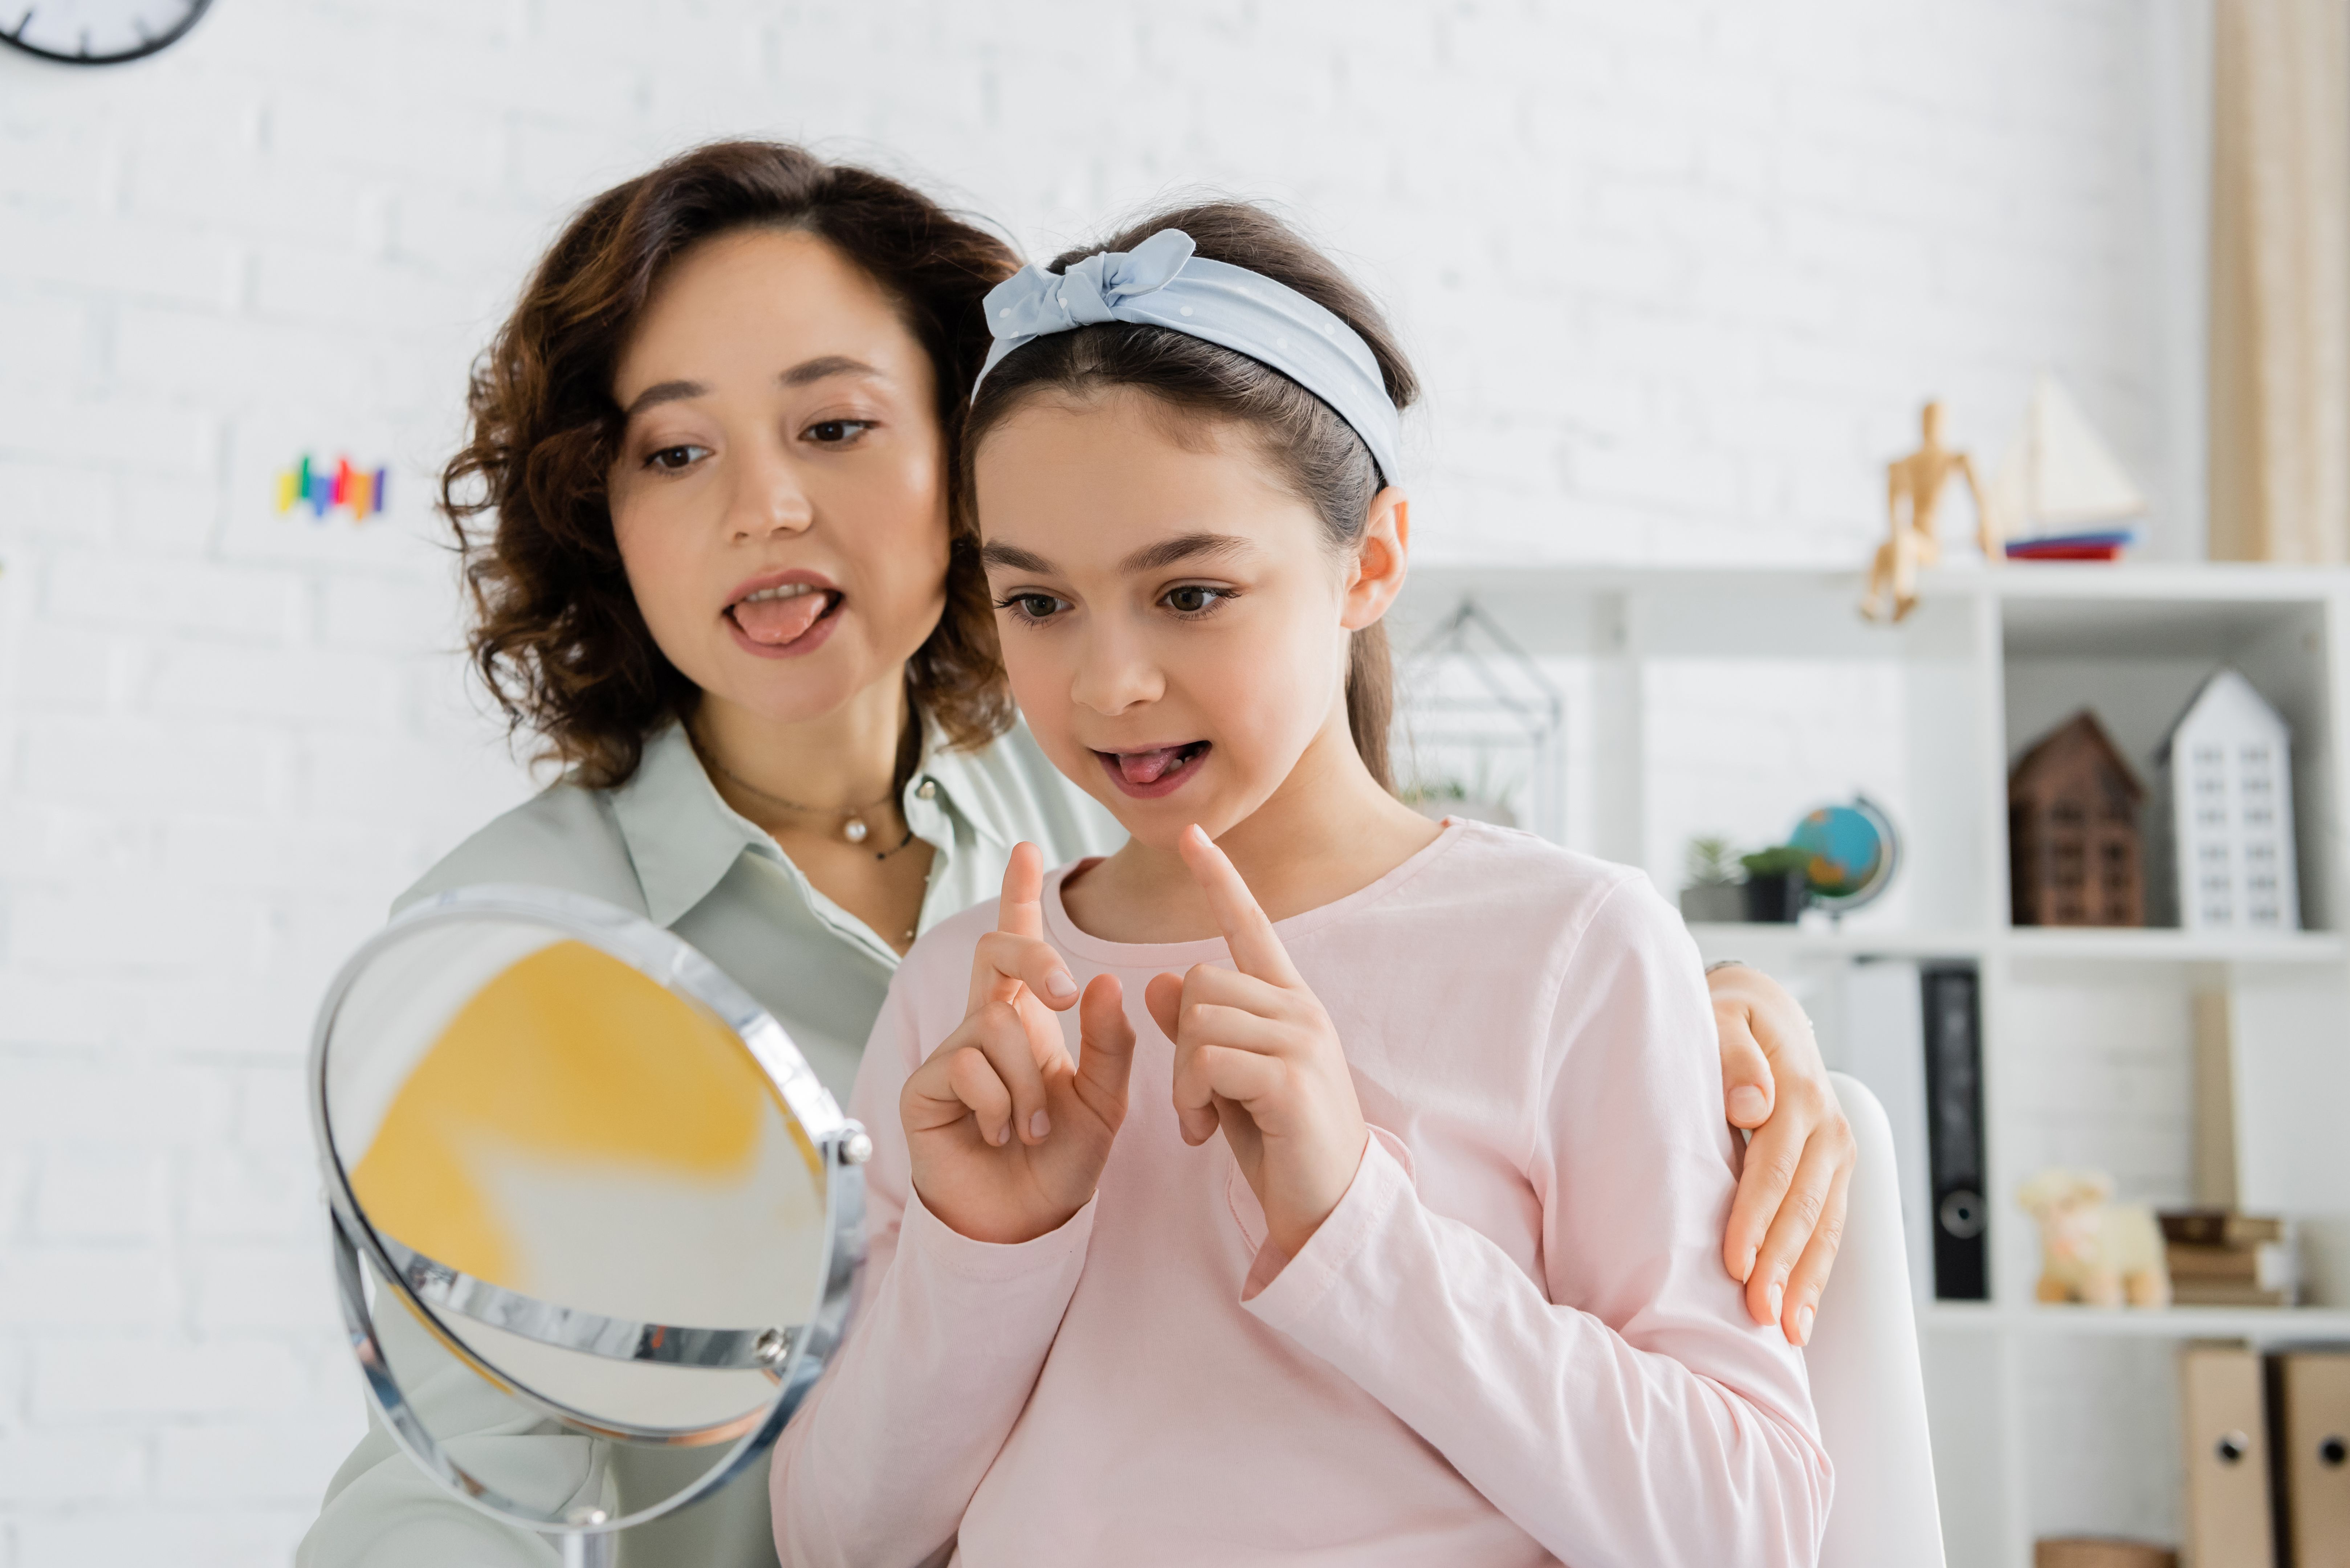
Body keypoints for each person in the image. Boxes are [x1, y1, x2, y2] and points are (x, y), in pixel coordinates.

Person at [300, 143, 1850, 1568]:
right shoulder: (553, 938)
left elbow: (1454, 944)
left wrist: (1699, 1016)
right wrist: (986, 1243)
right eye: (672, 451)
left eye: (834, 426)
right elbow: (509, 1472)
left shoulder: (1077, 821)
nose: (766, 508)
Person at [769, 205, 1830, 1567]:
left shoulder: (1572, 947)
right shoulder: (965, 993)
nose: (1108, 684)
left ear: (1369, 562)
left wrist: (1353, 1225)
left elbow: (1748, 1528)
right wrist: (985, 1253)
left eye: (1191, 593)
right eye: (1038, 603)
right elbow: (833, 1545)